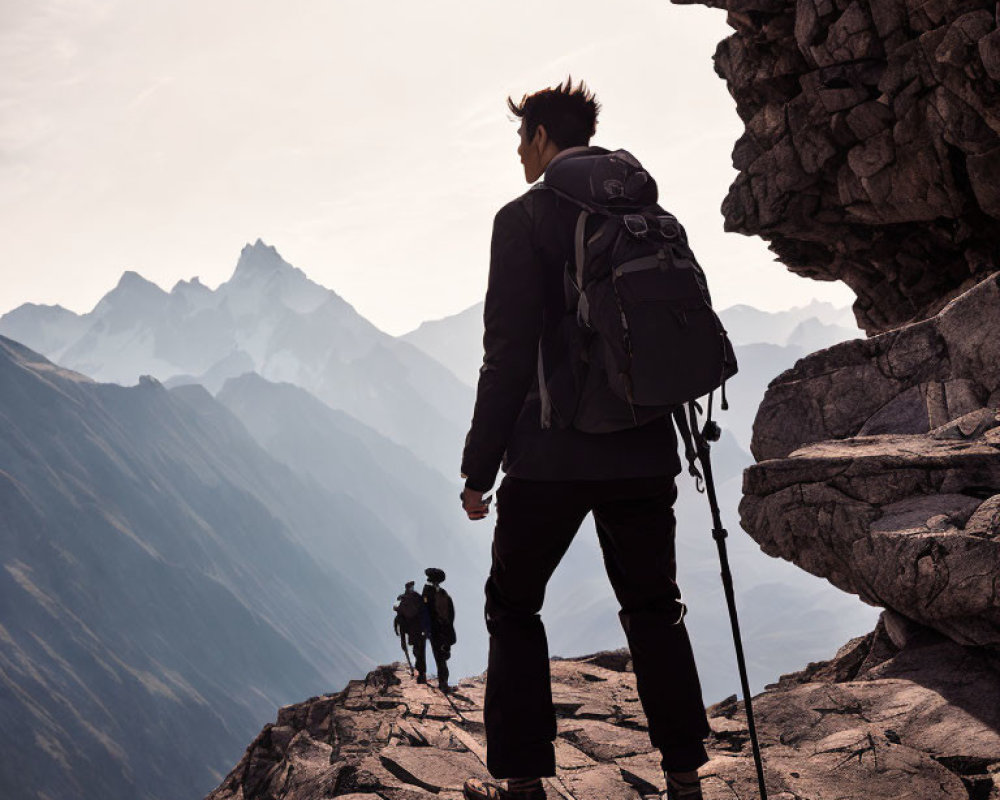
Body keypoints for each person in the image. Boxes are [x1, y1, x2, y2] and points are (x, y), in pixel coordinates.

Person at [459, 79, 711, 800]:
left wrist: (478, 471)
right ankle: (684, 769)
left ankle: (523, 776)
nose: (517, 153)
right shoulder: (644, 214)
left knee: (513, 605)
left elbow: (506, 356)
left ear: (541, 137)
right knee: (654, 604)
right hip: (644, 446)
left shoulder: (523, 219)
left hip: (551, 455)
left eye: (520, 139)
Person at [422, 567, 457, 692]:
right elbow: (450, 612)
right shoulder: (442, 593)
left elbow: (426, 612)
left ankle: (443, 682)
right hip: (442, 629)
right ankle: (443, 684)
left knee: (440, 656)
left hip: (436, 630)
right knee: (441, 656)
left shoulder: (428, 593)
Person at [393, 580, 430, 683]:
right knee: (420, 651)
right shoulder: (417, 597)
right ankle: (421, 674)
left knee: (416, 651)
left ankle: (420, 673)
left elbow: (398, 612)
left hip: (412, 631)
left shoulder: (403, 599)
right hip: (420, 629)